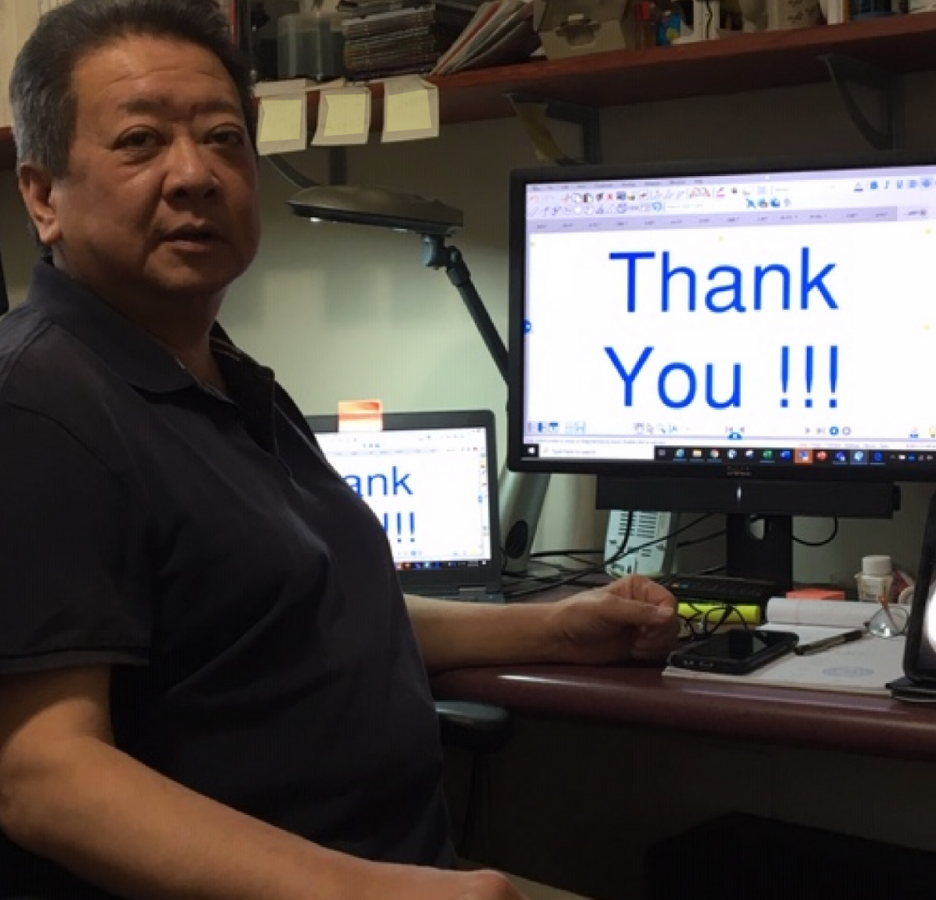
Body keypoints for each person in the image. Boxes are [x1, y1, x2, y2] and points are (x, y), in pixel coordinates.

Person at [0, 2, 680, 898]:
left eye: (225, 138)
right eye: (139, 141)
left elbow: (320, 611)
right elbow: (45, 776)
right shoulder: (40, 405)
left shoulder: (224, 377)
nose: (195, 174)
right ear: (43, 195)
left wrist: (556, 626)